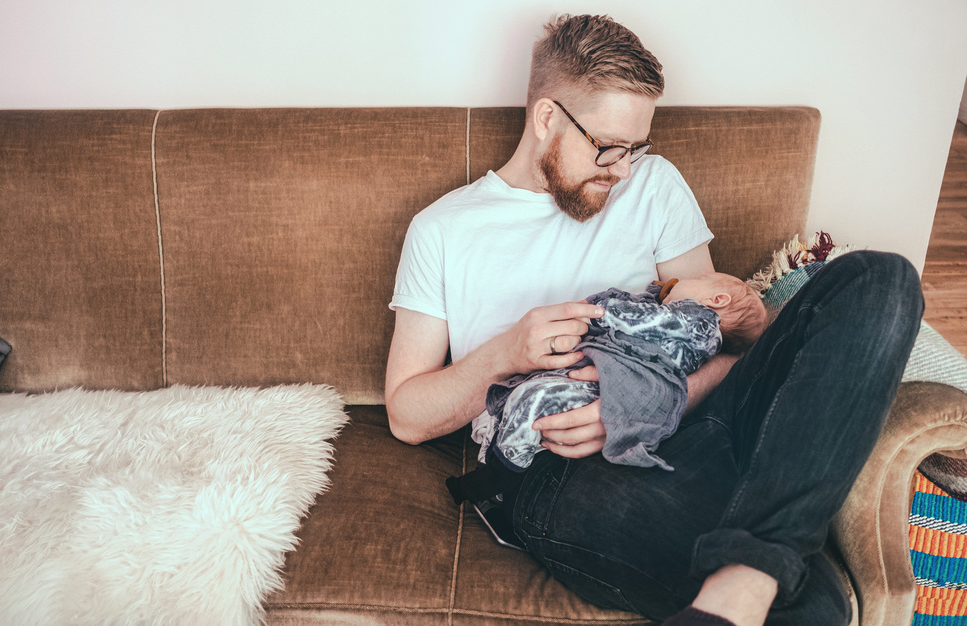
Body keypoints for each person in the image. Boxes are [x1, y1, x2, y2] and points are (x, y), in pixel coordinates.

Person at [385, 13, 923, 626]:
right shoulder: (445, 231)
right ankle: (762, 563)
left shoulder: (655, 185)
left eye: (636, 149)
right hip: (571, 471)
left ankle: (751, 567)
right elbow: (405, 415)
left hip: (696, 418)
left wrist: (738, 330)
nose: (622, 171)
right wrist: (506, 352)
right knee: (814, 608)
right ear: (546, 119)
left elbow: (715, 348)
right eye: (609, 148)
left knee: (882, 277)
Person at [447, 274, 767, 507]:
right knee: (529, 403)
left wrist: (601, 311)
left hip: (614, 389)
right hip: (603, 388)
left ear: (718, 301)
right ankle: (500, 472)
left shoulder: (701, 322)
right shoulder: (691, 323)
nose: (678, 280)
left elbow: (641, 322)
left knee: (530, 403)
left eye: (700, 278)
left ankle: (496, 478)